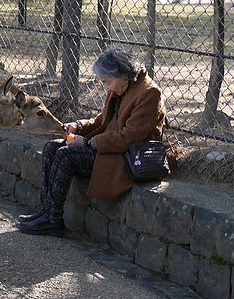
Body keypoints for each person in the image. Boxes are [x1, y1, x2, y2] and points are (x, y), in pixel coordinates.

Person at [18, 49, 165, 236]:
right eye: (103, 82)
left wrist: (88, 143)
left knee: (66, 154)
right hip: (110, 149)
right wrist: (78, 127)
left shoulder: (149, 94)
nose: (106, 87)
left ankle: (53, 219)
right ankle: (46, 210)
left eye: (107, 81)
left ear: (125, 75)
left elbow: (129, 138)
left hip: (128, 159)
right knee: (52, 147)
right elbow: (100, 121)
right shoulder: (120, 87)